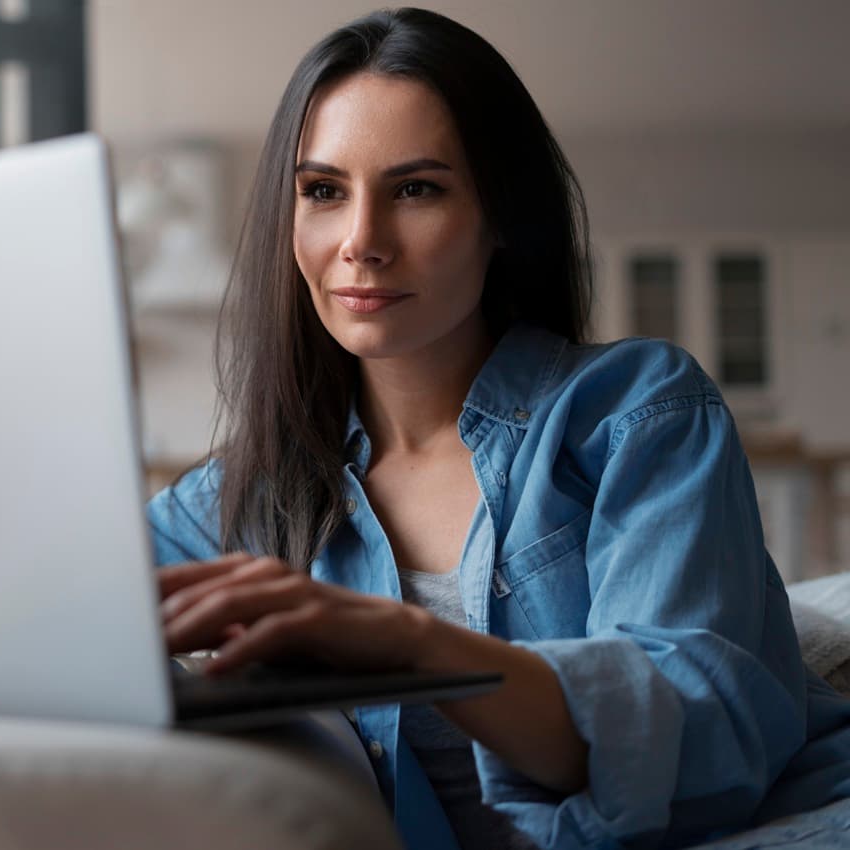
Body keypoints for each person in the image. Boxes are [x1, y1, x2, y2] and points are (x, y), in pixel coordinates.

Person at [145, 7, 850, 850]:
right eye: (324, 191)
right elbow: (39, 622)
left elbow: (704, 741)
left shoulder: (638, 411)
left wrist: (410, 645)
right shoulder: (244, 498)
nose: (361, 242)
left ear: (501, 217)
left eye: (416, 189)